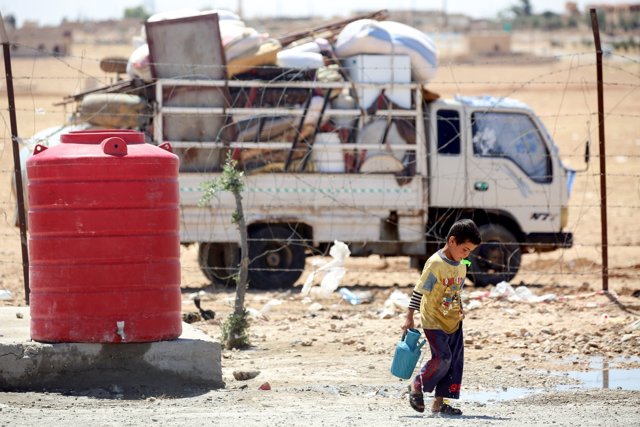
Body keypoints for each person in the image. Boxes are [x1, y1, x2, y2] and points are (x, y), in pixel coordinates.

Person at [402, 218, 481, 415]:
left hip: (454, 321)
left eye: (470, 251)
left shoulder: (462, 264)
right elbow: (419, 291)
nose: (467, 254)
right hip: (433, 320)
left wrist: (460, 307)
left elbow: (455, 291)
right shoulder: (435, 264)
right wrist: (409, 316)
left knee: (454, 363)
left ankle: (440, 404)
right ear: (452, 241)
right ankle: (416, 385)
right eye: (465, 249)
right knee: (443, 358)